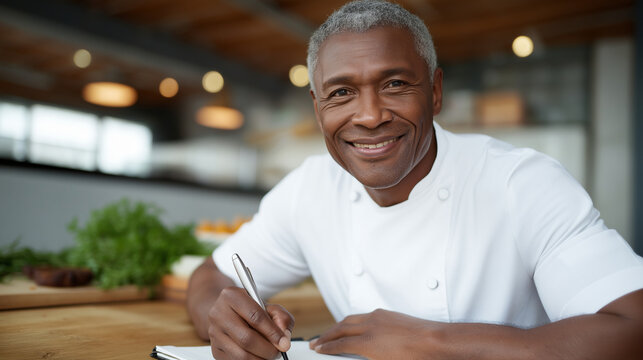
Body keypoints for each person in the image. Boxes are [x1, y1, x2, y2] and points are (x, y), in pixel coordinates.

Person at [187, 1, 643, 359]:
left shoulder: (521, 183)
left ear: (436, 92)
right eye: (342, 92)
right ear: (317, 107)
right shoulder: (309, 189)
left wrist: (435, 343)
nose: (369, 116)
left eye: (395, 85)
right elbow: (212, 275)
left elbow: (632, 327)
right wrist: (224, 320)